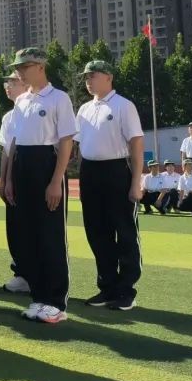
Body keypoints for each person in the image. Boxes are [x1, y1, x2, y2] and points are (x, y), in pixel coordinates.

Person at [1, 47, 76, 324]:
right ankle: (39, 296)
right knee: (28, 236)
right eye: (18, 67)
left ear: (40, 67)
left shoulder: (59, 98)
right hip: (22, 166)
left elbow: (66, 141)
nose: (19, 71)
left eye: (25, 66)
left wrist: (56, 181)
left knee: (50, 236)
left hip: (46, 164)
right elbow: (14, 142)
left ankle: (56, 302)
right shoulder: (22, 101)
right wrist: (9, 180)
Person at [74, 60, 144, 311]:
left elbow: (136, 144)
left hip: (116, 170)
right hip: (90, 172)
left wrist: (136, 182)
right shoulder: (83, 109)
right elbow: (80, 144)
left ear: (109, 77)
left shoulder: (123, 106)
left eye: (93, 75)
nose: (88, 80)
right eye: (86, 77)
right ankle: (107, 286)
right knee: (96, 232)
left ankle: (126, 291)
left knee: (124, 232)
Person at [0, 70, 29, 292]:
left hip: (32, 173)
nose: (8, 85)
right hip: (14, 176)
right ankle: (21, 272)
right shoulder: (9, 117)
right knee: (15, 226)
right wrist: (4, 180)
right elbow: (7, 151)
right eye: (6, 82)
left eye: (13, 82)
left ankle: (35, 273)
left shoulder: (34, 112)